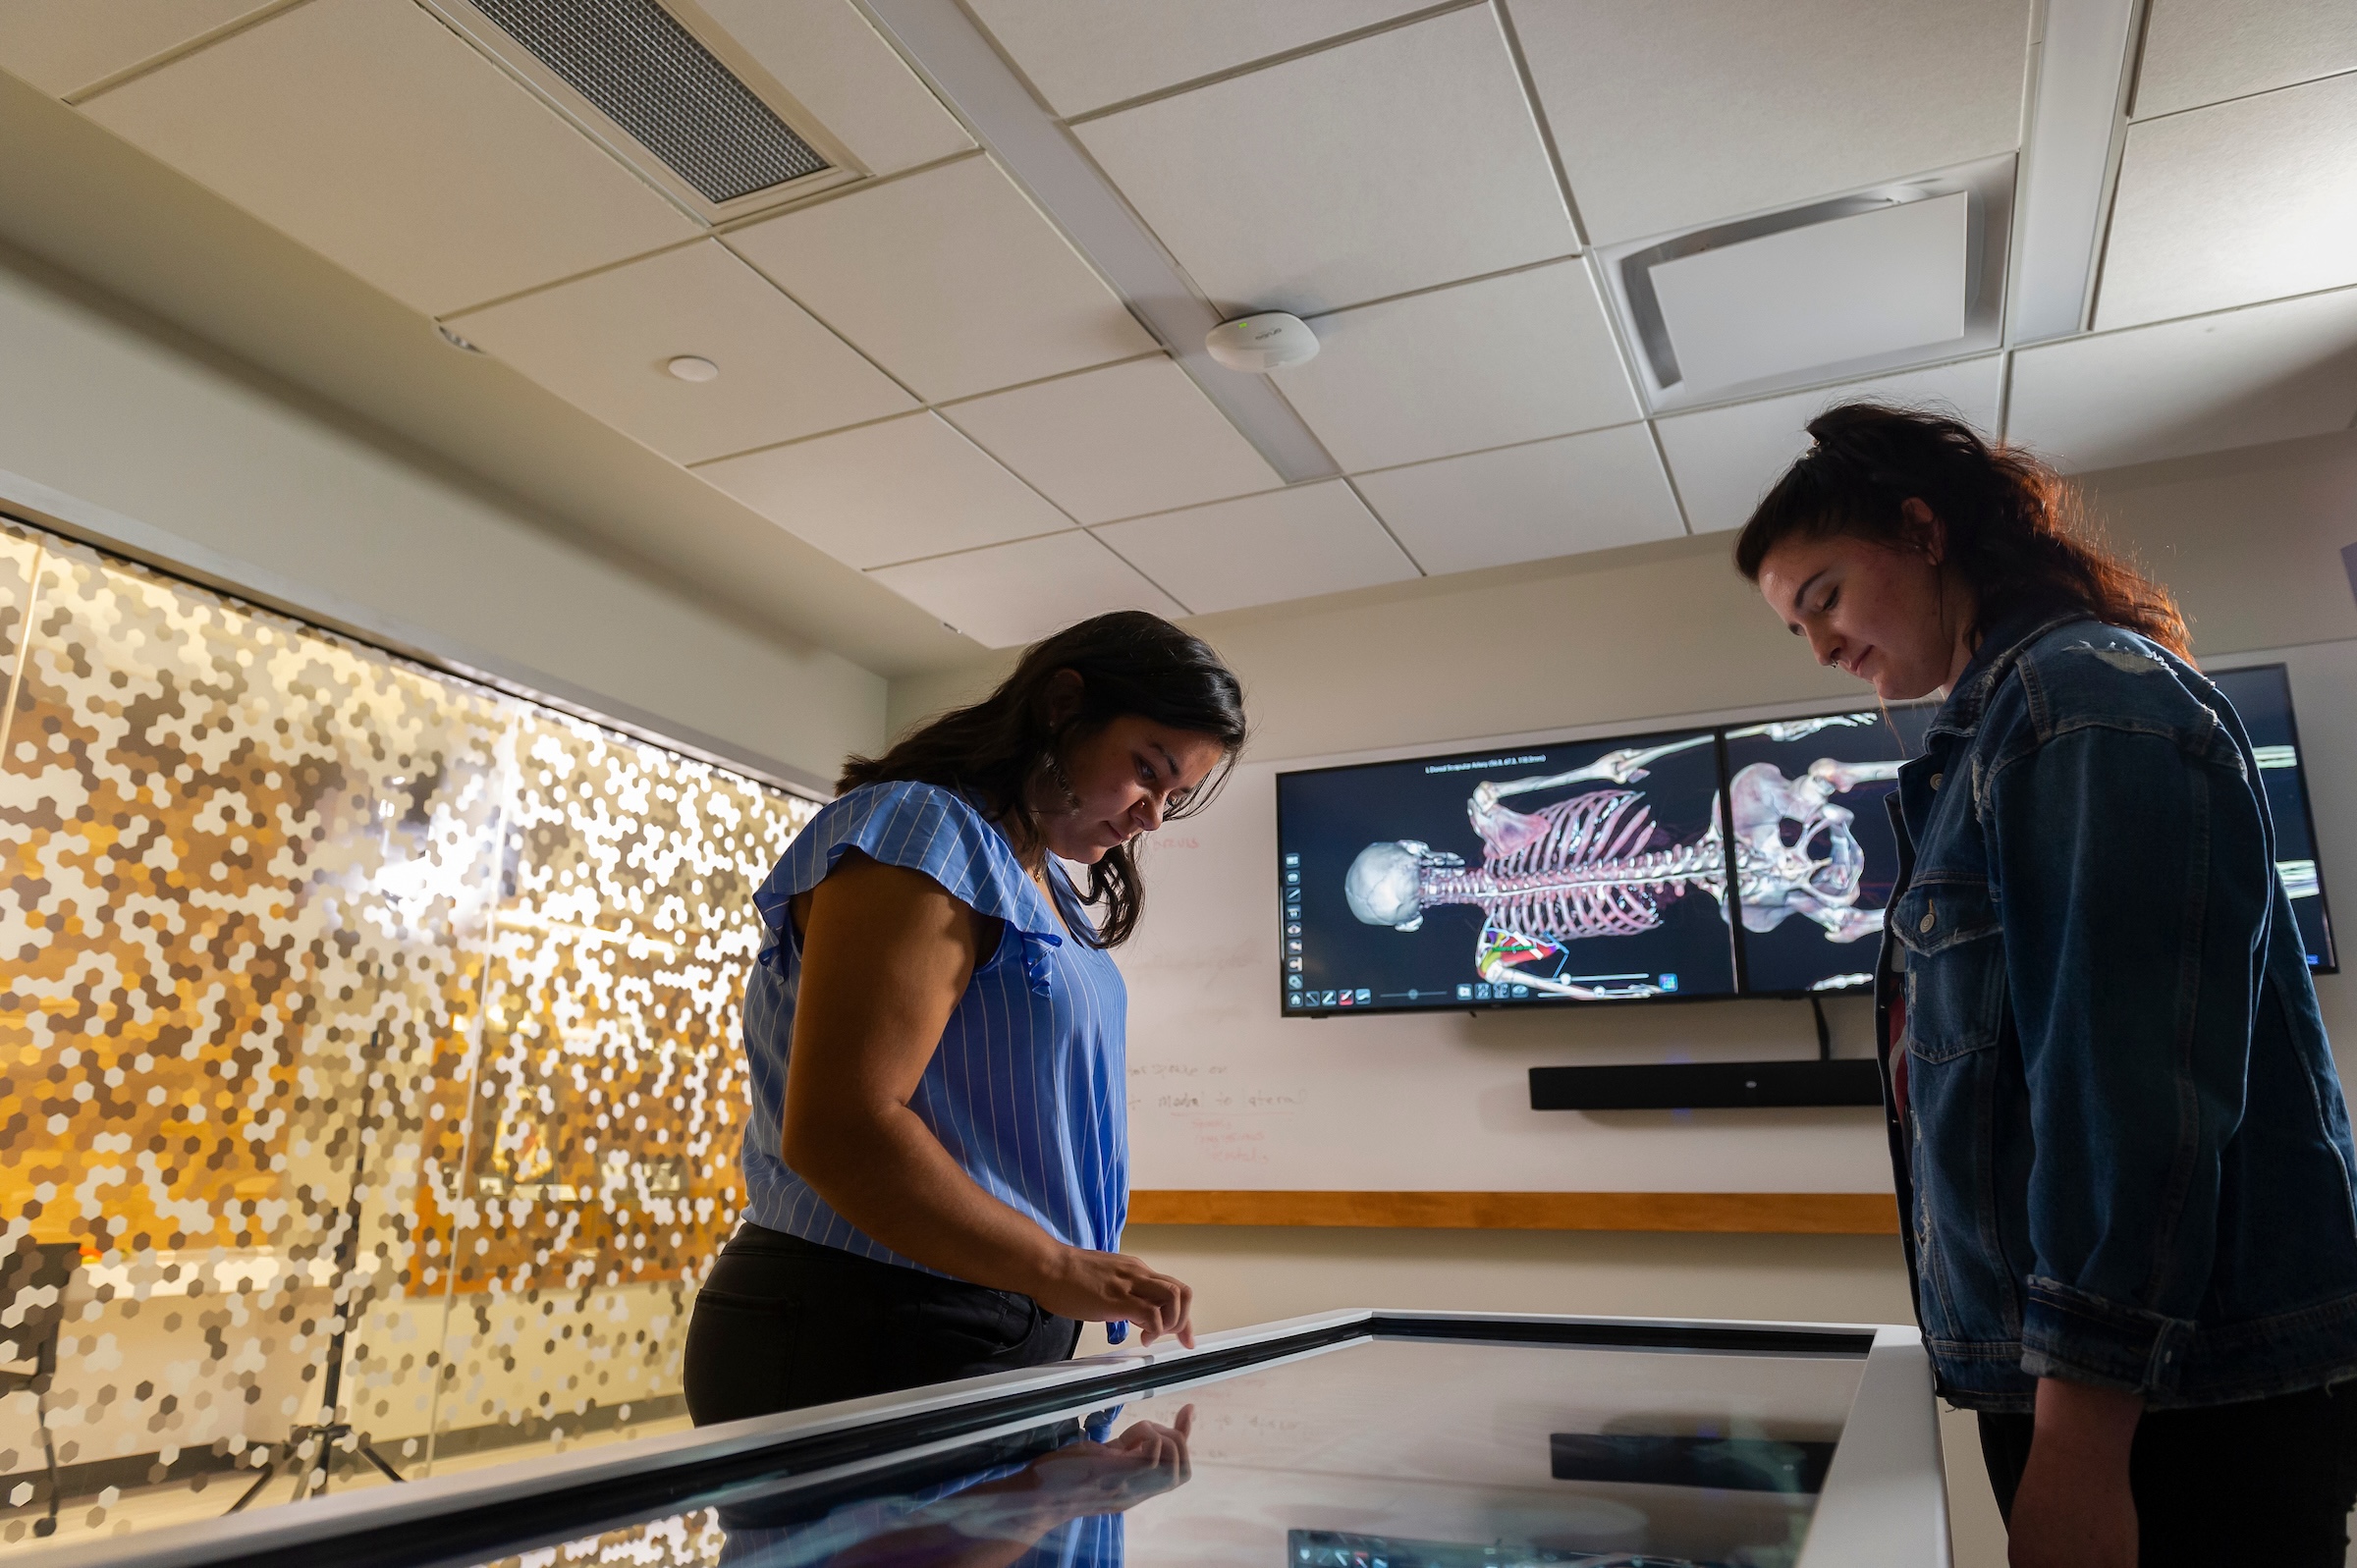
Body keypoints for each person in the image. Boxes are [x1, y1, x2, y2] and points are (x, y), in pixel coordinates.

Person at [1734, 404, 2357, 1567]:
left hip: (2177, 1407)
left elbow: (2125, 1101)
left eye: (1822, 594)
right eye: (1795, 625)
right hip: (2098, 1392)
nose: (1818, 645)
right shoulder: (1990, 740)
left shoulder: (2079, 705)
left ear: (1922, 531)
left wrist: (2079, 1451)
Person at [683, 612, 1246, 1425]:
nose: (1152, 816)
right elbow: (844, 1127)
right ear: (1062, 704)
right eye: (1146, 771)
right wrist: (1055, 1263)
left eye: (1174, 796)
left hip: (986, 1317)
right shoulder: (921, 829)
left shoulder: (1045, 883)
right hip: (866, 1318)